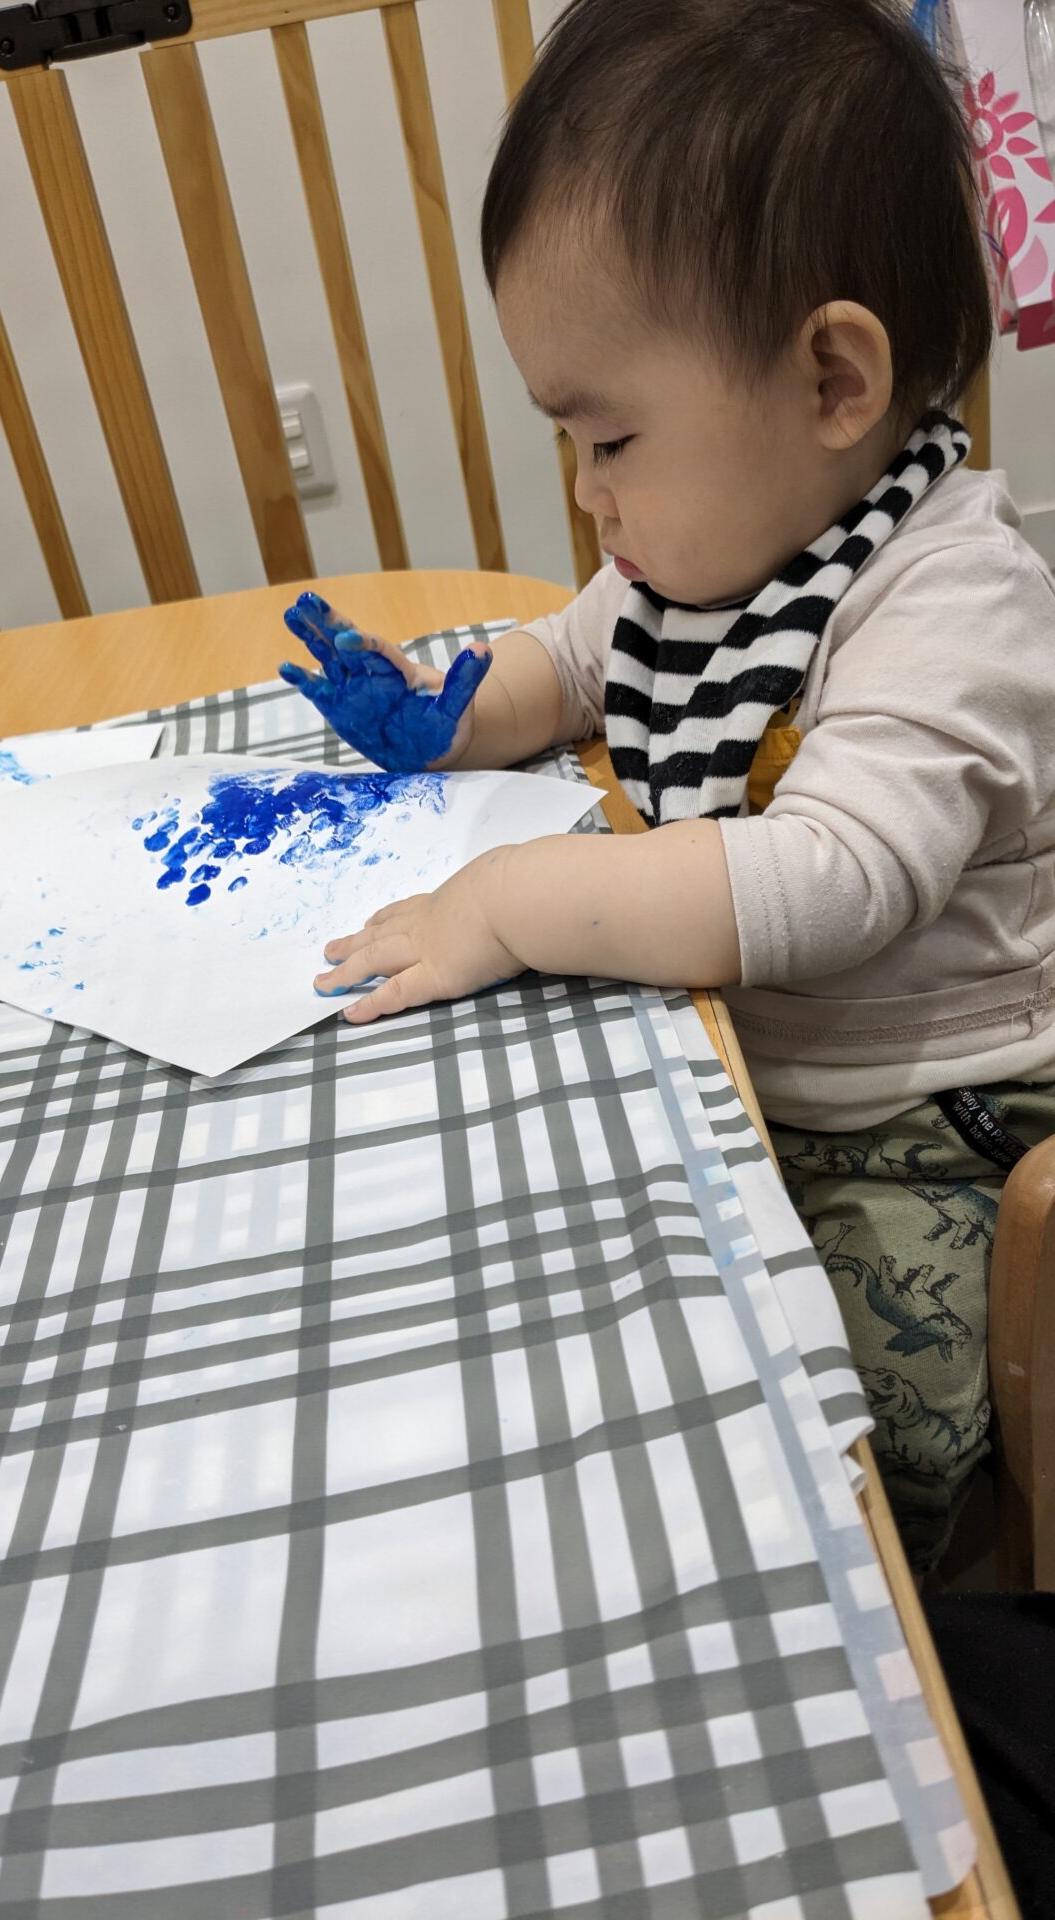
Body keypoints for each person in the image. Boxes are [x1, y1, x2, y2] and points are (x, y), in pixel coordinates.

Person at [279, 0, 1055, 1570]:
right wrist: (450, 712)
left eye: (614, 437)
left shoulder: (954, 598)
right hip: (752, 1063)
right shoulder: (692, 557)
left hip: (934, 1121)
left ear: (832, 380)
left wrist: (516, 903)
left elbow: (830, 878)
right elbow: (567, 667)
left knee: (828, 1430)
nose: (588, 494)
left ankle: (915, 1608)